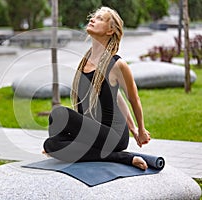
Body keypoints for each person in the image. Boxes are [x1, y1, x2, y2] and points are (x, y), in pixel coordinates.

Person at [42, 6, 151, 170]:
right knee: (52, 143)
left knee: (59, 114)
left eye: (100, 19)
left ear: (110, 31)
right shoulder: (86, 60)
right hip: (95, 132)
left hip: (113, 135)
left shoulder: (116, 64)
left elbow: (133, 98)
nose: (92, 19)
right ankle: (107, 155)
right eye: (94, 17)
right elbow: (117, 98)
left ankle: (123, 158)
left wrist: (138, 129)